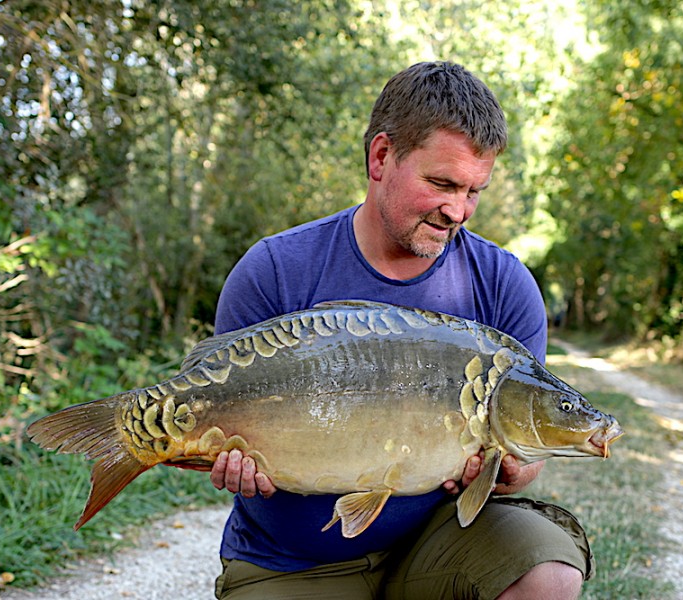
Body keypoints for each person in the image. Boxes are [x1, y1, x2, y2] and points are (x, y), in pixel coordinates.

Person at [209, 61, 593, 599]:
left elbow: (524, 453)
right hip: (290, 563)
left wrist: (511, 470)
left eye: (473, 191)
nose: (457, 210)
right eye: (441, 183)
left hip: (436, 546)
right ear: (381, 157)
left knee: (548, 573)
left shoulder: (504, 285)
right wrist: (224, 456)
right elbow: (210, 413)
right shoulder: (274, 270)